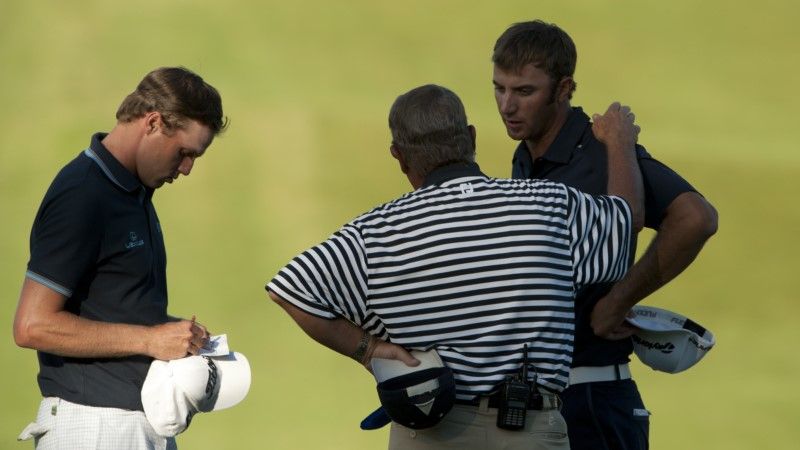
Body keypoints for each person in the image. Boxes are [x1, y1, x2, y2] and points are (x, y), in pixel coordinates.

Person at [267, 84, 644, 449]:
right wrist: (620, 143)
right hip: (529, 431)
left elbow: (290, 289)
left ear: (398, 155)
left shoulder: (375, 233)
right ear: (471, 137)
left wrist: (368, 349)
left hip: (429, 432)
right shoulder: (548, 206)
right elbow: (624, 227)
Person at [491, 20, 719, 450]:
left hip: (593, 400)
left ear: (563, 89)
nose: (507, 106)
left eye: (524, 92)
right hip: (548, 403)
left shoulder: (603, 150)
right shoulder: (526, 157)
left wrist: (619, 301)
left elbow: (696, 219)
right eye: (499, 88)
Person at [13, 66, 227, 449]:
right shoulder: (84, 195)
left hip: (125, 428)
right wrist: (150, 339)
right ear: (153, 122)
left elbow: (112, 308)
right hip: (94, 429)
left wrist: (174, 335)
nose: (187, 169)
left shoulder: (133, 192)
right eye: (184, 153)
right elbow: (32, 325)